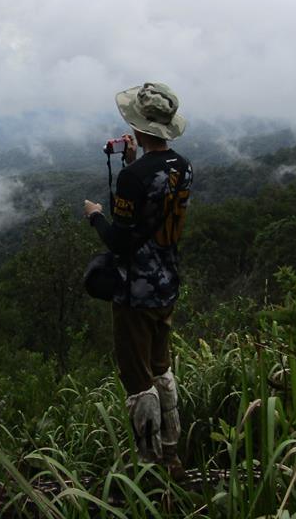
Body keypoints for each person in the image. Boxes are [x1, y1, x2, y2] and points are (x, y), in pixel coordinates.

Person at [83, 82, 193, 476]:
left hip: (135, 293)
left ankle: (148, 466)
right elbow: (155, 207)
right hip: (168, 284)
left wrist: (96, 214)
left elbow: (122, 241)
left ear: (139, 128)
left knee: (137, 379)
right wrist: (134, 163)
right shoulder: (182, 166)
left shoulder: (133, 179)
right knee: (162, 368)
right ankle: (171, 452)